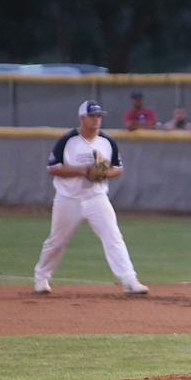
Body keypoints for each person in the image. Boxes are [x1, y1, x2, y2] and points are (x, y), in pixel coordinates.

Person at [31, 101, 149, 295]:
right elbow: (52, 167)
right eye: (92, 116)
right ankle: (41, 278)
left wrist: (102, 174)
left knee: (114, 237)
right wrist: (82, 170)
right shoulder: (68, 140)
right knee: (56, 241)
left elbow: (118, 169)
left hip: (96, 198)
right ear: (81, 118)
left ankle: (129, 280)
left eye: (99, 116)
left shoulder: (107, 141)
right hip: (68, 198)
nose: (96, 120)